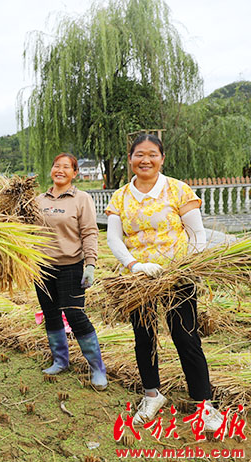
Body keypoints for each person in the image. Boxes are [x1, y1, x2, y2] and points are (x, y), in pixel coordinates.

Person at [105, 133, 223, 428]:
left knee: (186, 337)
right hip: (138, 279)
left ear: (162, 158)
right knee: (144, 338)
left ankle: (204, 404)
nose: (145, 160)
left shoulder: (178, 190)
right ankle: (152, 394)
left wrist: (183, 268)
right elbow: (113, 237)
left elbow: (197, 234)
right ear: (130, 158)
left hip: (178, 276)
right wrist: (134, 265)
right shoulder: (120, 196)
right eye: (139, 154)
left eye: (152, 154)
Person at [35, 153, 107, 390]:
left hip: (71, 265)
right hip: (42, 266)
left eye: (66, 167)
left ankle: (97, 368)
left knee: (75, 314)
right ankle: (60, 360)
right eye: (57, 166)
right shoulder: (38, 200)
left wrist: (90, 264)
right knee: (50, 312)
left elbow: (89, 232)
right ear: (51, 170)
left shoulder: (81, 198)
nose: (60, 170)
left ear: (74, 173)